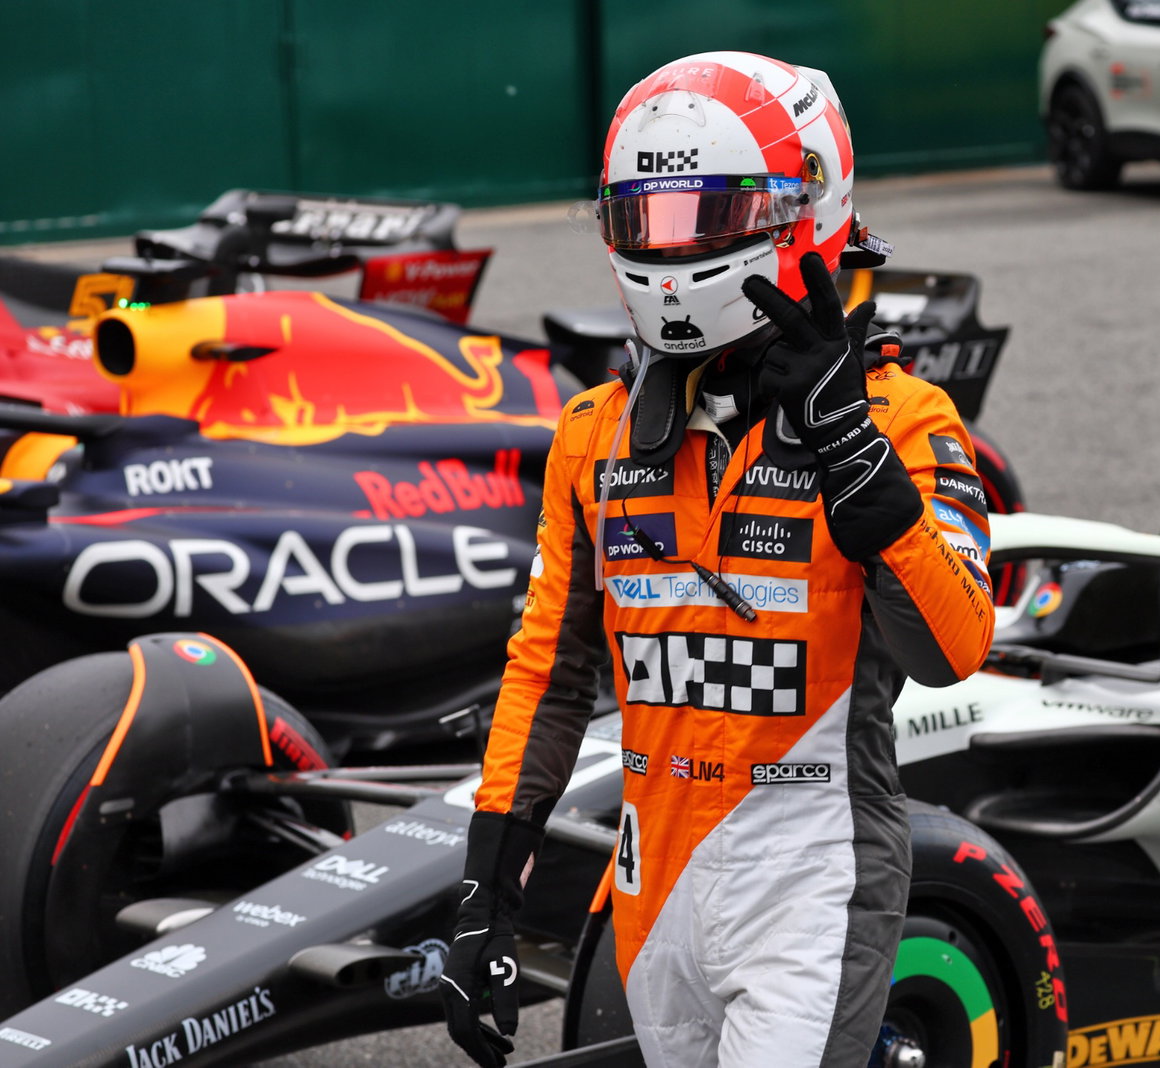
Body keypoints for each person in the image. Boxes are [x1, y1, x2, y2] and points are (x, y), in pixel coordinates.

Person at [440, 51, 996, 1068]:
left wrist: (851, 452)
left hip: (813, 875)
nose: (673, 248)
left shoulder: (905, 419)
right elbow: (545, 681)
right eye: (647, 219)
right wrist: (488, 891)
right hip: (653, 889)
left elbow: (952, 649)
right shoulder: (592, 433)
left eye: (709, 216)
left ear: (807, 207)